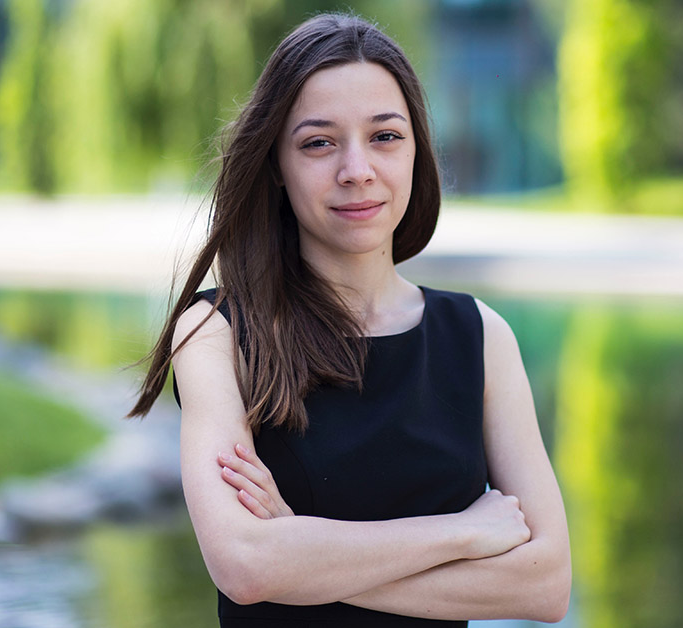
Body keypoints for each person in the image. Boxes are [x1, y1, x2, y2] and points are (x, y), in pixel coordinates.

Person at [127, 13, 570, 626]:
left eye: (385, 136)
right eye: (318, 142)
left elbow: (544, 586)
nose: (357, 169)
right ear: (276, 165)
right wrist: (461, 535)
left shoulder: (481, 336)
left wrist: (301, 551)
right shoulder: (217, 333)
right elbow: (246, 566)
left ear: (418, 149)